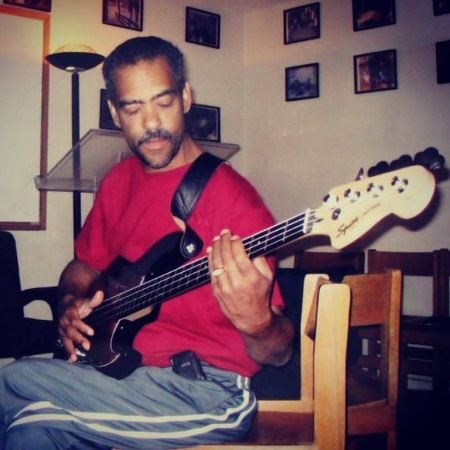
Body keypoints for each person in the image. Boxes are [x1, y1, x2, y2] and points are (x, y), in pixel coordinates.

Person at [0, 36, 294, 450]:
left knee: (12, 387)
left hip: (206, 393)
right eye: (133, 107)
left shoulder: (233, 199)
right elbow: (82, 267)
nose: (151, 123)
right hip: (119, 372)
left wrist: (258, 322)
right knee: (29, 432)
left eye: (163, 102)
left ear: (186, 98)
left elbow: (278, 352)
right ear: (114, 113)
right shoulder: (118, 182)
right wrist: (69, 305)